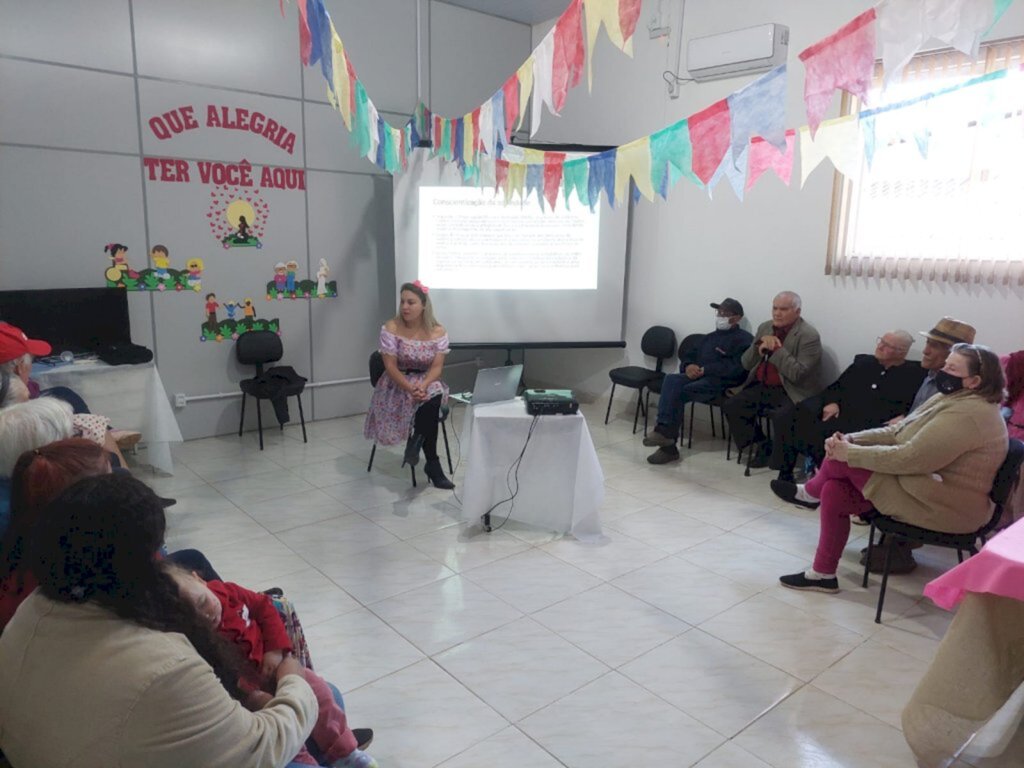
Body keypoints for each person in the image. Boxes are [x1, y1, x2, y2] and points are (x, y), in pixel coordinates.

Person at [0, 473, 322, 767]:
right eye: (159, 551)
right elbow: (261, 748)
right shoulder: (167, 667)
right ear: (142, 563)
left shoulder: (32, 609)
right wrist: (294, 681)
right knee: (323, 698)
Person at [774, 344, 1008, 592]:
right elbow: (899, 431)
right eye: (945, 364)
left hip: (947, 506)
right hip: (926, 485)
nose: (943, 371)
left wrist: (849, 452)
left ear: (974, 381)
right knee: (833, 490)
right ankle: (822, 574)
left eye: (951, 368)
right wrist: (853, 439)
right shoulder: (950, 398)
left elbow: (911, 458)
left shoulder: (969, 413)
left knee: (840, 459)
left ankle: (810, 494)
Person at [167, 567, 376, 767]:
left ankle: (344, 753)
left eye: (204, 602)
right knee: (280, 729)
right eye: (193, 617)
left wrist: (275, 650)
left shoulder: (227, 591)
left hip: (278, 668)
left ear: (199, 579)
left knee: (323, 693)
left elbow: (264, 607)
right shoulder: (194, 640)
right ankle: (307, 761)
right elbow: (220, 678)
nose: (206, 615)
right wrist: (250, 694)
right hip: (247, 695)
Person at [768, 331, 925, 482]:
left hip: (874, 426)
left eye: (887, 345)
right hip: (843, 415)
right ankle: (786, 472)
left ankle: (825, 480)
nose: (880, 346)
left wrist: (905, 416)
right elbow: (836, 387)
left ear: (901, 352)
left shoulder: (914, 375)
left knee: (835, 437)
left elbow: (919, 405)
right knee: (792, 416)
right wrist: (832, 402)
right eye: (881, 341)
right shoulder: (863, 364)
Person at [363, 280, 454, 489]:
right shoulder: (391, 327)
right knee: (428, 406)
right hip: (397, 383)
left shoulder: (438, 331)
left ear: (423, 305)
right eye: (403, 301)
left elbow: (437, 368)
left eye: (411, 302)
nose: (405, 306)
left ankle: (417, 443)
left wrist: (423, 386)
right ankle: (432, 463)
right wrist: (410, 388)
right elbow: (390, 366)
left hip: (426, 380)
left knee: (433, 396)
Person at [644, 298, 753, 464]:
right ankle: (665, 434)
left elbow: (737, 368)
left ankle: (667, 442)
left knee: (679, 391)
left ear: (737, 318)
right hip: (699, 377)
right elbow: (689, 356)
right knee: (671, 379)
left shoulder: (744, 339)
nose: (721, 316)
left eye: (726, 313)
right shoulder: (708, 338)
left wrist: (707, 370)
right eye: (719, 312)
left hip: (724, 383)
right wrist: (688, 366)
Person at [722, 291, 822, 462]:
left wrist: (776, 349)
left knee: (783, 416)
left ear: (797, 312)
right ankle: (761, 445)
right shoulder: (765, 327)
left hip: (791, 390)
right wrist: (758, 346)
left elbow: (798, 374)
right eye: (775, 308)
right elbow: (746, 363)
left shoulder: (808, 335)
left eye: (783, 309)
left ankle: (780, 462)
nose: (777, 313)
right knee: (733, 405)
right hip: (762, 384)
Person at [903, 317, 977, 417]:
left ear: (954, 354)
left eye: (934, 346)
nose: (925, 351)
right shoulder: (931, 375)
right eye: (927, 342)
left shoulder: (956, 390)